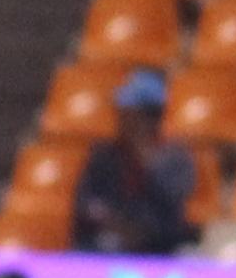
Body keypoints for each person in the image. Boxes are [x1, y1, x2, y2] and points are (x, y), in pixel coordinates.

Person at [73, 68, 199, 259]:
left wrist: (146, 159)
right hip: (108, 239)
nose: (122, 119)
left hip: (160, 244)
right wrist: (111, 221)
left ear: (149, 117)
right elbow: (85, 201)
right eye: (122, 113)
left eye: (131, 114)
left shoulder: (176, 158)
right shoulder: (105, 155)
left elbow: (170, 207)